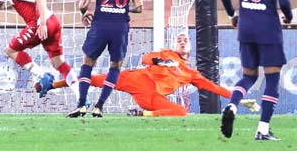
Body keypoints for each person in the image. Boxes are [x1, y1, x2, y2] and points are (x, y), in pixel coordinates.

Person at [43, 32, 247, 116]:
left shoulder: (191, 73)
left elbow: (213, 87)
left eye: (186, 40)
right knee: (94, 79)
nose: (182, 41)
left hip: (150, 95)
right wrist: (159, 60)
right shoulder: (165, 53)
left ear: (191, 47)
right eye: (179, 40)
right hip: (136, 78)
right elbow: (145, 58)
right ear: (175, 45)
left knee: (181, 112)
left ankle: (143, 114)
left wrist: (237, 98)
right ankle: (51, 85)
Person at [219, 0, 293, 141]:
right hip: (268, 28)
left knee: (248, 76)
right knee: (271, 78)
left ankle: (232, 105)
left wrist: (233, 16)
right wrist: (288, 17)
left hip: (246, 27)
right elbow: (284, 0)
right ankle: (262, 129)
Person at [67, 0, 143, 118]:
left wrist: (85, 14)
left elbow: (82, 4)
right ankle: (99, 106)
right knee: (115, 65)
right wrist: (122, 8)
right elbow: (139, 8)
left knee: (88, 62)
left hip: (100, 25)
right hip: (120, 27)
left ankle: (81, 105)